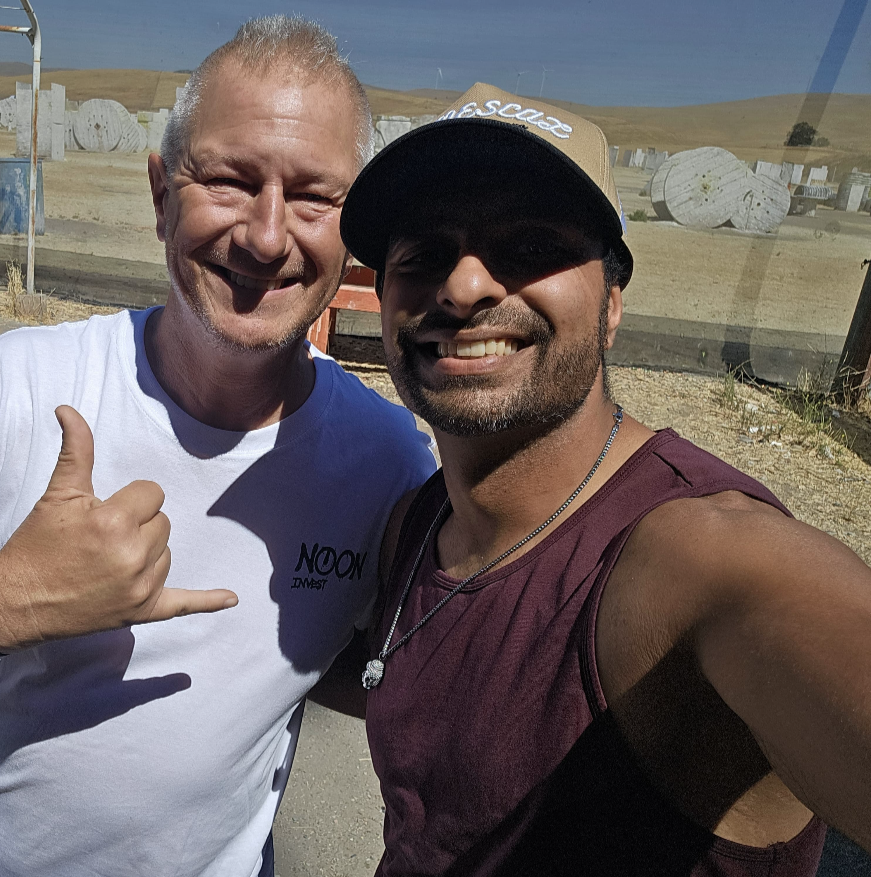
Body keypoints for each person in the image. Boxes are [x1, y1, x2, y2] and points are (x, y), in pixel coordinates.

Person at [0, 18, 435, 877]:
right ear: (162, 193)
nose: (269, 235)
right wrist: (4, 601)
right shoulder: (7, 390)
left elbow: (397, 667)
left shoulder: (389, 458)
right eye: (232, 182)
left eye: (314, 196)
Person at [322, 83, 871, 875]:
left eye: (529, 247)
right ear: (384, 299)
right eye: (424, 254)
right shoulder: (419, 527)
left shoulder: (698, 562)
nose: (464, 285)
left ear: (612, 305)